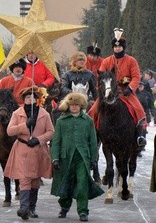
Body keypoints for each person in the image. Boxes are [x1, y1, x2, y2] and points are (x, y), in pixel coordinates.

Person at [50, 92, 104, 222]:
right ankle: (64, 207)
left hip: (82, 158)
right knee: (65, 184)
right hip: (65, 158)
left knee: (82, 184)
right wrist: (55, 158)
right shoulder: (61, 121)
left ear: (81, 106)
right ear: (68, 106)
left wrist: (94, 159)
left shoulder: (88, 121)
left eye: (77, 105)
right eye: (72, 105)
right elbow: (56, 141)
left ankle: (83, 211)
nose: (74, 107)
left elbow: (93, 141)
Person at [5, 86, 54, 220]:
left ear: (37, 99)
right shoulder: (17, 113)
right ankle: (24, 208)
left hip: (38, 150)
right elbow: (10, 131)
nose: (30, 99)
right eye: (27, 97)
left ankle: (32, 208)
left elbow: (51, 132)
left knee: (35, 180)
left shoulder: (44, 114)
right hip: (23, 149)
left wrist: (39, 139)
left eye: (32, 97)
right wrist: (25, 125)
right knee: (25, 178)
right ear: (23, 99)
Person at [90, 36, 146, 148]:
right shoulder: (106, 61)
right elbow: (100, 77)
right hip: (108, 92)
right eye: (115, 46)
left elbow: (136, 76)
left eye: (119, 46)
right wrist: (100, 90)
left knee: (139, 109)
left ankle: (140, 135)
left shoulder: (131, 60)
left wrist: (130, 88)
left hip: (125, 92)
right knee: (93, 110)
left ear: (123, 47)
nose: (117, 48)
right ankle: (94, 134)